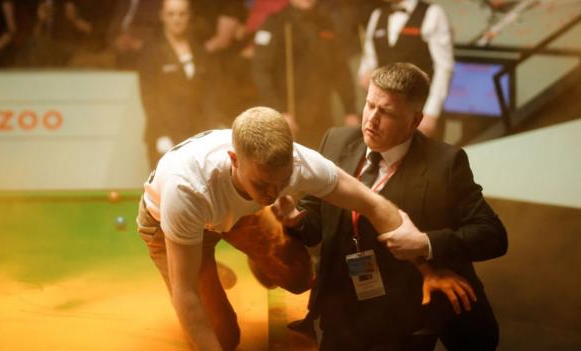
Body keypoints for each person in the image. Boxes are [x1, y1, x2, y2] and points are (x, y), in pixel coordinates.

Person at [136, 105, 476, 350]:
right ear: (235, 160)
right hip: (167, 223)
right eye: (263, 184)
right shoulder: (187, 189)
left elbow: (374, 204)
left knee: (297, 276)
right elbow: (186, 293)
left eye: (281, 182)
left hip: (236, 212)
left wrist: (426, 267)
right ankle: (204, 262)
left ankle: (240, 259)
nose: (272, 194)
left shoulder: (300, 163)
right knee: (224, 339)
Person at [276, 63, 508, 350]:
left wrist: (425, 243)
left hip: (405, 321)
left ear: (415, 120)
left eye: (385, 112)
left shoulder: (444, 164)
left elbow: (492, 235)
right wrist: (296, 219)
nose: (371, 119)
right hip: (341, 310)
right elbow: (315, 220)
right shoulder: (336, 141)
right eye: (370, 105)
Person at [252, 0, 359, 148]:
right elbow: (261, 72)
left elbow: (340, 70)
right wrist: (279, 112)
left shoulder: (325, 22)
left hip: (322, 114)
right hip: (290, 113)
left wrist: (350, 110)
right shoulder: (276, 22)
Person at [358, 0, 454, 139]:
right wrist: (365, 74)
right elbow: (369, 61)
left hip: (420, 111)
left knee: (423, 159)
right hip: (385, 114)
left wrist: (431, 112)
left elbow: (444, 68)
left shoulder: (433, 14)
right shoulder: (377, 15)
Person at [135, 0, 214, 168]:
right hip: (164, 137)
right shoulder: (151, 50)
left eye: (181, 14)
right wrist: (161, 134)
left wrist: (209, 132)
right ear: (162, 16)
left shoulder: (199, 49)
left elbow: (208, 94)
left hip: (195, 136)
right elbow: (149, 97)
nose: (176, 19)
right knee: (164, 193)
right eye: (171, 14)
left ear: (189, 16)